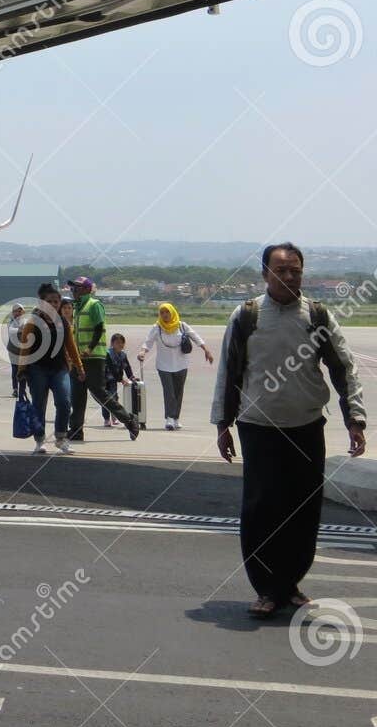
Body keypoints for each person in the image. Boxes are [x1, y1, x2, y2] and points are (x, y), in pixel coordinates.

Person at [211, 243, 365, 620]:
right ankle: (265, 588)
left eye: (296, 269)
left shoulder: (317, 315)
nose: (290, 276)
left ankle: (290, 583)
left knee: (303, 510)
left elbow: (343, 368)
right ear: (265, 274)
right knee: (261, 509)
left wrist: (355, 419)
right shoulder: (246, 315)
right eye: (281, 269)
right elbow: (228, 373)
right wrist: (222, 424)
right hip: (258, 428)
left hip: (306, 426)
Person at [66, 276, 140, 440]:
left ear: (87, 289)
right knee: (77, 396)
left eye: (77, 288)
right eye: (72, 288)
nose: (73, 291)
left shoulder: (94, 305)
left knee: (99, 393)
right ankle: (76, 430)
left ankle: (129, 420)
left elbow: (99, 329)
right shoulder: (77, 308)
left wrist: (90, 348)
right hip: (79, 359)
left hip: (93, 358)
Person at [16, 283, 85, 453]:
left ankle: (60, 438)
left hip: (59, 368)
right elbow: (25, 348)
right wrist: (21, 370)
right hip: (37, 369)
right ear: (42, 303)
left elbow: (71, 346)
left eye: (56, 301)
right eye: (50, 301)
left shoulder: (63, 322)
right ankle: (40, 440)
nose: (54, 304)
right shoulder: (32, 323)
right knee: (39, 405)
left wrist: (80, 367)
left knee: (64, 402)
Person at [137, 302, 213, 430]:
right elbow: (148, 341)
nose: (165, 315)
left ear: (172, 312)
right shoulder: (157, 327)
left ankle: (176, 418)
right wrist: (143, 351)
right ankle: (169, 418)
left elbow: (195, 337)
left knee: (178, 392)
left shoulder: (181, 326)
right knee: (169, 392)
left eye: (167, 312)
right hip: (163, 365)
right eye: (162, 312)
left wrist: (206, 350)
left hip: (181, 364)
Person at [101, 333, 136, 427]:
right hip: (104, 380)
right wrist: (121, 379)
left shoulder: (123, 355)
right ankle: (106, 419)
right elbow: (111, 368)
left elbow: (127, 367)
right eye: (117, 343)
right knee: (105, 400)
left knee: (114, 398)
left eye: (122, 343)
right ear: (112, 344)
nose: (120, 345)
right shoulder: (108, 354)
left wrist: (131, 377)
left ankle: (114, 417)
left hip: (113, 381)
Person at [4, 304, 26, 396]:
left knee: (23, 370)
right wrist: (20, 330)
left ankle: (22, 389)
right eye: (15, 311)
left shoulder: (25, 321)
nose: (17, 313)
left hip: (23, 350)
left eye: (19, 311)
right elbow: (11, 331)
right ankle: (15, 389)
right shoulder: (10, 322)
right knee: (14, 369)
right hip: (13, 350)